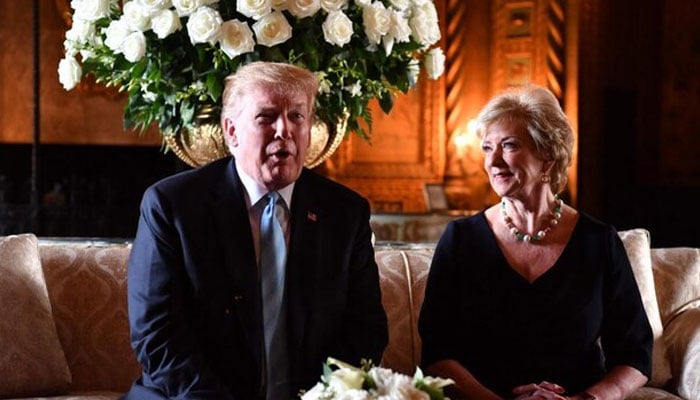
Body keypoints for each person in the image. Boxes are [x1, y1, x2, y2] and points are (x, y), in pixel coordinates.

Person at [123, 61, 388, 400]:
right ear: (231, 131)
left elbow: (366, 330)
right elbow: (157, 336)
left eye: (297, 116)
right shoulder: (172, 206)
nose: (285, 131)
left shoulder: (345, 212)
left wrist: (329, 396)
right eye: (266, 117)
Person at [418, 85, 652, 400]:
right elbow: (436, 354)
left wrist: (587, 399)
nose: (493, 161)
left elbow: (634, 353)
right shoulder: (461, 240)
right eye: (487, 148)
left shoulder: (599, 242)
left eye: (509, 145)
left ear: (547, 157)